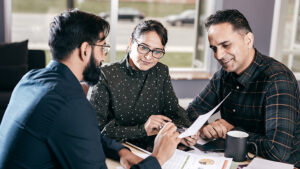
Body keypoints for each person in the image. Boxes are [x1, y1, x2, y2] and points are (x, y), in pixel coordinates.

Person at [0, 9, 181, 169]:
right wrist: (157, 158)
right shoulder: (71, 103)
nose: (103, 56)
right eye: (102, 47)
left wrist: (120, 152)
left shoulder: (31, 79)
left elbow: (88, 134)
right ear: (85, 49)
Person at [186, 9, 300, 167]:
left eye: (226, 45)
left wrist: (232, 132)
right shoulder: (224, 75)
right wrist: (206, 128)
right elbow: (192, 111)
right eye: (214, 48)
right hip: (238, 160)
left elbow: (277, 151)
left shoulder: (277, 79)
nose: (218, 55)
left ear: (248, 40)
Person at [89, 19, 197, 151]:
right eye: (144, 48)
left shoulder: (161, 71)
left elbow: (174, 110)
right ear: (131, 43)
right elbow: (96, 132)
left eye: (157, 51)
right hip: (121, 151)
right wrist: (143, 129)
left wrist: (186, 131)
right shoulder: (105, 75)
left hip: (156, 148)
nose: (148, 57)